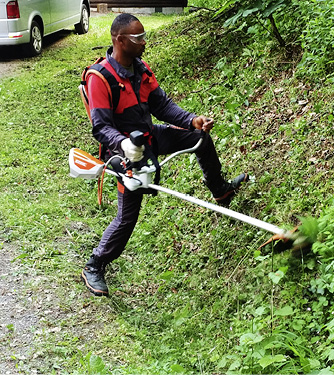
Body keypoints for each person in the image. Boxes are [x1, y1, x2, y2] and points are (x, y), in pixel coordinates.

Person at [81, 13, 248, 297]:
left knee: (200, 139)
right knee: (127, 217)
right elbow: (100, 127)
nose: (144, 42)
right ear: (120, 40)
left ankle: (220, 190)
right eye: (138, 38)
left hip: (150, 135)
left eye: (144, 36)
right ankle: (94, 264)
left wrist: (192, 120)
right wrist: (123, 146)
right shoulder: (101, 79)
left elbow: (162, 105)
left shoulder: (141, 69)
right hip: (124, 154)